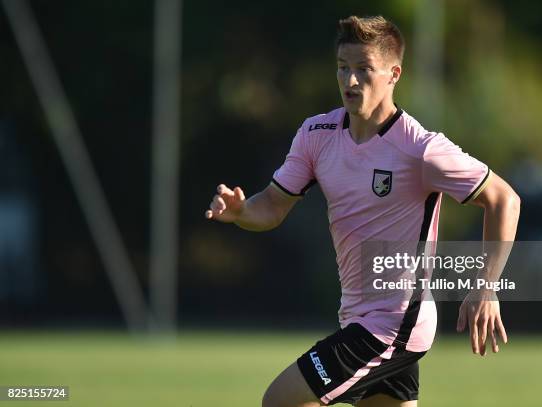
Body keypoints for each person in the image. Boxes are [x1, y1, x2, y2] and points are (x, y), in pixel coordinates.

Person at [205, 15, 520, 407]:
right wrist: (240, 212)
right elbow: (271, 206)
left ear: (393, 74)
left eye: (363, 70)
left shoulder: (420, 148)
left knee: (280, 401)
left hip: (394, 323)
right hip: (357, 317)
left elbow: (504, 199)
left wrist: (486, 284)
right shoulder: (316, 135)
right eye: (343, 69)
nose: (350, 82)